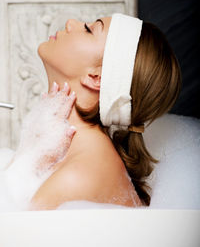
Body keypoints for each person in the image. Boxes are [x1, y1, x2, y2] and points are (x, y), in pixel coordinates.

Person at [29, 13, 181, 210]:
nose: (70, 23)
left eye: (89, 30)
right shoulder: (64, 152)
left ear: (96, 78)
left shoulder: (77, 177)